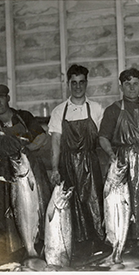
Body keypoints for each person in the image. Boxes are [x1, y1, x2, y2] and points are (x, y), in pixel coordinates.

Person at [0, 84, 52, 258]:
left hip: (30, 170)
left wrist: (27, 149)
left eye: (0, 98)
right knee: (9, 214)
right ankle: (17, 253)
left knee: (39, 207)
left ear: (8, 98)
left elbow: (42, 138)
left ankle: (42, 247)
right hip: (6, 176)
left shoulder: (24, 117)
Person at [99, 67, 139, 258]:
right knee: (124, 203)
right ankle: (124, 244)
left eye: (135, 84)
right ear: (121, 86)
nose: (132, 88)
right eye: (127, 84)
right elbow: (102, 137)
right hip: (123, 160)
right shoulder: (113, 110)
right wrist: (111, 154)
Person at [48, 64, 107, 260]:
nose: (78, 87)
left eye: (81, 82)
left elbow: (103, 138)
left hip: (90, 162)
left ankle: (98, 249)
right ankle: (77, 251)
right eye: (74, 83)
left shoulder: (97, 109)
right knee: (71, 208)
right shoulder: (59, 111)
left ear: (86, 83)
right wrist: (55, 168)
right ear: (68, 84)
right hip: (68, 164)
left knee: (95, 205)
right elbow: (56, 141)